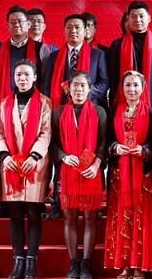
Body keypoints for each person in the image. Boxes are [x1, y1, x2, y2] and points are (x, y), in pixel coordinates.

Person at [42, 13, 110, 214]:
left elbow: (104, 82)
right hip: (62, 114)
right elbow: (47, 85)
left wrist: (82, 93)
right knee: (63, 156)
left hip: (89, 114)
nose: (73, 31)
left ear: (86, 30)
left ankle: (92, 203)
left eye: (77, 27)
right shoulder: (54, 56)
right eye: (69, 27)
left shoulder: (98, 55)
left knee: (91, 154)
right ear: (64, 30)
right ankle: (59, 203)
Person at [0, 60, 52, 279]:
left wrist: (34, 156)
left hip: (34, 165)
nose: (22, 78)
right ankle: (18, 260)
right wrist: (4, 155)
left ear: (35, 77)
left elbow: (46, 132)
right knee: (15, 214)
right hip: (11, 164)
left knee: (34, 213)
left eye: (27, 75)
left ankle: (31, 262)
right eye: (18, 75)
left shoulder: (44, 102)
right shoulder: (5, 103)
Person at [51, 71, 107, 279]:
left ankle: (86, 264)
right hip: (68, 172)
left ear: (90, 89)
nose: (79, 89)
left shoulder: (99, 112)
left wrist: (97, 164)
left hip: (91, 171)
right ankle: (73, 263)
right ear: (69, 88)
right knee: (70, 219)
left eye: (83, 85)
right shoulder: (59, 112)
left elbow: (103, 143)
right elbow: (53, 143)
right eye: (75, 85)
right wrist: (64, 157)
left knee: (90, 218)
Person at [104, 70, 152, 279]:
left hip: (143, 174)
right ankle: (125, 264)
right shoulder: (112, 113)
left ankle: (140, 265)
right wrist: (115, 148)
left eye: (136, 85)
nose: (132, 89)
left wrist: (145, 150)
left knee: (141, 217)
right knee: (122, 217)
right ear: (122, 88)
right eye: (128, 85)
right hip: (119, 174)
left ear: (143, 88)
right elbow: (105, 142)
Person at [106, 0, 152, 108]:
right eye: (133, 16)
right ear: (128, 18)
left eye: (141, 16)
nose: (138, 20)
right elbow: (113, 77)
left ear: (149, 18)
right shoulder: (117, 45)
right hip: (125, 100)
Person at [0, 5, 43, 107]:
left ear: (28, 24)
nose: (16, 25)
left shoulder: (41, 49)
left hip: (33, 103)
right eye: (13, 22)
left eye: (20, 21)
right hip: (4, 103)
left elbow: (45, 80)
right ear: (8, 26)